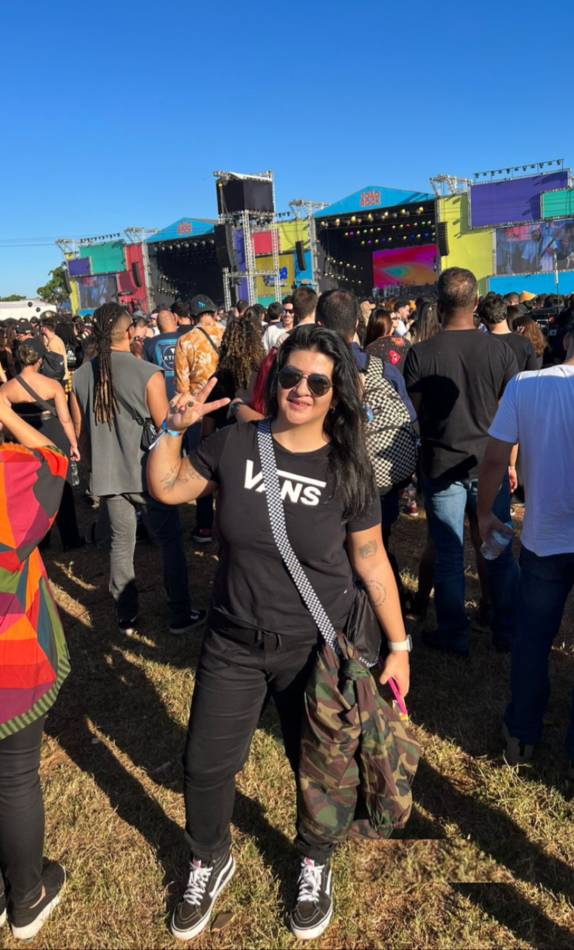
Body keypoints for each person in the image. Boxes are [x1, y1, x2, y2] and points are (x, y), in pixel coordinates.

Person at [147, 324, 410, 942]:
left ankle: (315, 861)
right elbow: (166, 487)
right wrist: (171, 429)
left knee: (317, 766)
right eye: (291, 376)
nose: (302, 390)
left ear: (337, 393)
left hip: (313, 649)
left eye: (318, 381)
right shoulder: (237, 444)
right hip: (232, 639)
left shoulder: (347, 465)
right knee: (204, 765)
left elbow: (371, 558)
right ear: (274, 379)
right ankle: (209, 859)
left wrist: (398, 646)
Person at [477, 321, 574, 777]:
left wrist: (484, 512)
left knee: (533, 639)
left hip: (544, 538)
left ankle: (521, 735)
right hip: (544, 536)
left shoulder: (526, 385)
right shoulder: (525, 383)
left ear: (566, 339)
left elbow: (495, 458)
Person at [404, 268, 519, 656]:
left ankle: (455, 636)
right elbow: (509, 412)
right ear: (475, 303)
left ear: (438, 305)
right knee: (497, 551)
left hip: (443, 466)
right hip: (488, 464)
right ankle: (506, 630)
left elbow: (413, 415)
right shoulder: (500, 350)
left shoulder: (420, 353)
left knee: (451, 556)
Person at [70, 303, 195, 635]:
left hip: (109, 476)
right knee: (169, 541)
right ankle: (180, 613)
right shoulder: (147, 373)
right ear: (129, 333)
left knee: (120, 545)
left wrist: (94, 467)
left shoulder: (80, 376)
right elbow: (166, 429)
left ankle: (125, 614)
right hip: (148, 474)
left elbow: (81, 434)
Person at [0, 394, 69, 941]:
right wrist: (5, 411)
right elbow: (55, 460)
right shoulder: (9, 477)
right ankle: (26, 898)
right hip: (11, 654)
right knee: (14, 776)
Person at [315, 289, 417, 612]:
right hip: (378, 485)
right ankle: (382, 611)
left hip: (326, 484)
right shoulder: (383, 370)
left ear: (319, 325)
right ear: (358, 324)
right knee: (377, 549)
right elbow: (409, 423)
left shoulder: (311, 374)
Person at [1, 339, 83, 551]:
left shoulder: (7, 388)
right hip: (54, 437)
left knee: (31, 490)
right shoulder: (53, 385)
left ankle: (39, 540)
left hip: (23, 439)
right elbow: (65, 419)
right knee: (62, 487)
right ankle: (70, 538)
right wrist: (73, 443)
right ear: (40, 360)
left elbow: (4, 423)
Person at [174, 294, 224, 544]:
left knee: (201, 468)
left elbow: (182, 387)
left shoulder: (185, 341)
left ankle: (204, 526)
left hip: (199, 413)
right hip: (229, 407)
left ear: (191, 318)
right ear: (214, 314)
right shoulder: (227, 333)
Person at [477, 293, 539, 372]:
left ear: (484, 320)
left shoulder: (479, 344)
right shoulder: (524, 343)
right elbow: (533, 374)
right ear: (505, 312)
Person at [142, 309, 180, 400]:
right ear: (175, 320)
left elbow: (145, 375)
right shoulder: (189, 339)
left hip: (161, 397)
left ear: (158, 326)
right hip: (187, 397)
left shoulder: (148, 344)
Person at [39, 314, 67, 384]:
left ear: (45, 329)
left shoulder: (52, 343)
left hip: (58, 378)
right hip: (62, 376)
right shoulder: (57, 339)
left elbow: (54, 362)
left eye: (41, 327)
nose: (40, 328)